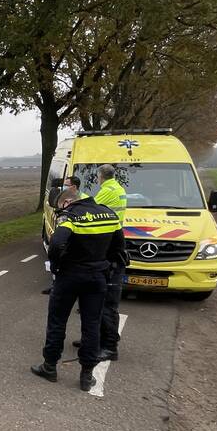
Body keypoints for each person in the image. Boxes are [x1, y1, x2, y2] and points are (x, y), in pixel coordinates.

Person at [31, 188, 124, 391]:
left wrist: (56, 265)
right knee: (91, 325)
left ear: (66, 202)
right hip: (98, 278)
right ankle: (86, 375)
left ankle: (50, 367)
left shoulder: (70, 217)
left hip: (69, 276)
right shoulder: (109, 214)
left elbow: (56, 243)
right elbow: (119, 247)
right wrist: (105, 264)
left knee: (57, 321)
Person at [88, 164, 128, 361]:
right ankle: (96, 337)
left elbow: (91, 208)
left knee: (107, 304)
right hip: (114, 240)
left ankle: (110, 347)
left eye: (97, 176)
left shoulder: (107, 190)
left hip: (110, 248)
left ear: (100, 176)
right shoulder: (119, 188)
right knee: (98, 301)